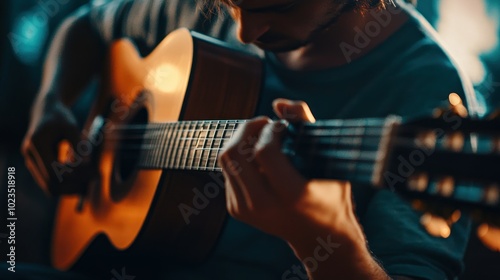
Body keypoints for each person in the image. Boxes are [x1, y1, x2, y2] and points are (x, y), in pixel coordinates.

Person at [17, 0, 482, 279]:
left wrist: (325, 240)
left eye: (283, 6)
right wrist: (50, 102)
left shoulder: (427, 93)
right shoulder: (201, 9)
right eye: (232, 4)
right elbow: (86, 24)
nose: (246, 32)